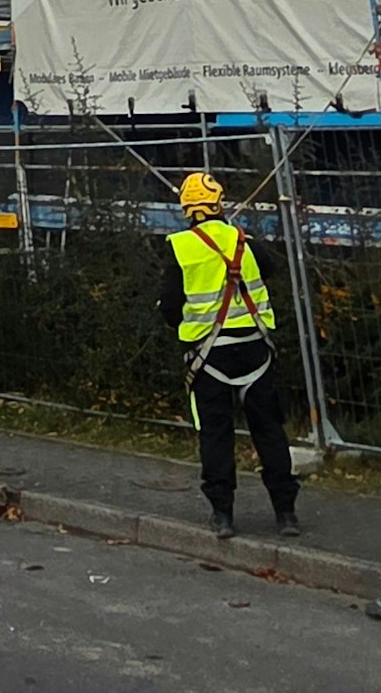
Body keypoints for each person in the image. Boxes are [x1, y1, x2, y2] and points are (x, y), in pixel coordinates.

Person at [157, 170, 301, 540]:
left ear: (187, 210)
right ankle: (286, 514)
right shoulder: (243, 241)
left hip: (209, 357)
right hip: (256, 352)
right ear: (220, 204)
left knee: (216, 435)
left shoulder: (180, 247)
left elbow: (171, 308)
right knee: (269, 431)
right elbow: (270, 270)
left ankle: (223, 515)